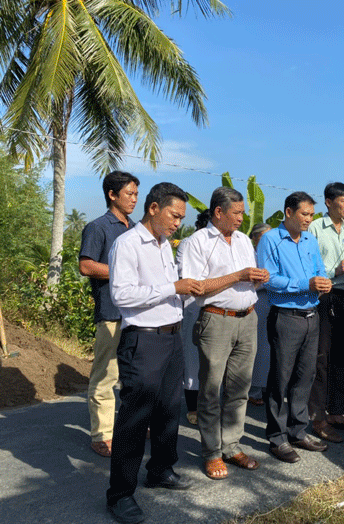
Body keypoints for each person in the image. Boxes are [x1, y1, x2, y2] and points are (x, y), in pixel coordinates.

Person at [106, 182, 204, 524]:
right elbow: (123, 296)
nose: (178, 222)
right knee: (135, 418)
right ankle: (120, 494)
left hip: (172, 337)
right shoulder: (128, 244)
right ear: (153, 208)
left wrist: (183, 293)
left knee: (168, 411)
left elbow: (167, 293)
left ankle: (161, 470)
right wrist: (172, 288)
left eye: (181, 217)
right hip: (143, 340)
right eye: (174, 215)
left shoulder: (164, 244)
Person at [179, 187, 269, 480]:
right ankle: (211, 452)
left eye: (243, 212)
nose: (242, 218)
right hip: (216, 321)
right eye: (237, 213)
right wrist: (239, 275)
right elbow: (196, 286)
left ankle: (231, 445)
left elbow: (247, 280)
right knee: (210, 389)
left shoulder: (243, 240)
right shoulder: (197, 242)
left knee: (239, 389)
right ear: (219, 212)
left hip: (248, 318)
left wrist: (257, 278)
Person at [257, 191, 333, 463]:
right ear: (288, 212)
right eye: (304, 214)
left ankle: (298, 431)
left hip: (312, 316)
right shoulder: (271, 240)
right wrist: (306, 284)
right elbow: (269, 279)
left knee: (305, 377)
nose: (309, 220)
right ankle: (277, 438)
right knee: (281, 377)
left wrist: (323, 282)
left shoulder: (310, 239)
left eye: (312, 215)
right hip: (286, 316)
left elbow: (319, 269)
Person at [79, 171, 139, 458]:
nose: (134, 199)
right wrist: (125, 275)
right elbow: (87, 266)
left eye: (136, 194)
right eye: (129, 193)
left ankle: (130, 425)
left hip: (137, 315)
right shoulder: (98, 228)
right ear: (112, 195)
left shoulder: (138, 229)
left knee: (135, 376)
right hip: (111, 312)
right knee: (106, 375)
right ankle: (101, 434)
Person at [307, 182, 344, 444]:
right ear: (328, 202)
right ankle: (318, 417)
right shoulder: (315, 228)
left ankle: (337, 412)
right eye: (343, 201)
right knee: (321, 357)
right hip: (324, 296)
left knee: (343, 355)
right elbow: (310, 265)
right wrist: (335, 270)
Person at [176, 212, 210, 428]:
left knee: (210, 360)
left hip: (214, 305)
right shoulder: (189, 243)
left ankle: (208, 405)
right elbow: (189, 278)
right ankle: (193, 407)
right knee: (192, 358)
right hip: (192, 305)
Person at [249, 223, 273, 405]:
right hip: (258, 300)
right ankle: (254, 389)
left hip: (272, 300)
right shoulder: (250, 255)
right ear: (255, 238)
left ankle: (265, 386)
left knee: (269, 346)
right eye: (265, 236)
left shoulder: (272, 255)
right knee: (258, 346)